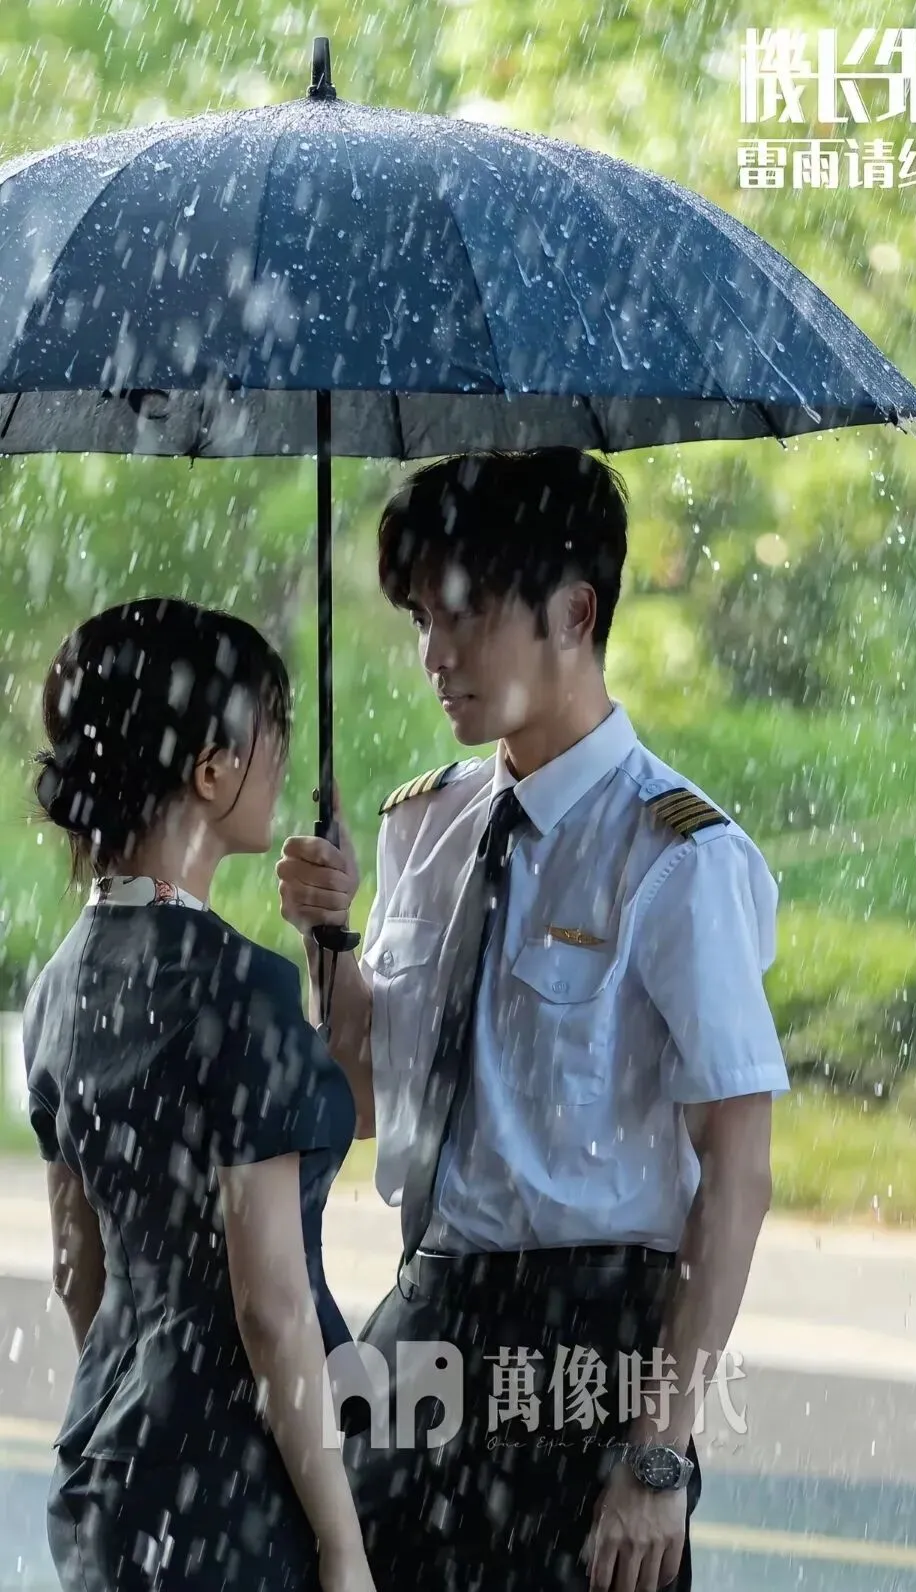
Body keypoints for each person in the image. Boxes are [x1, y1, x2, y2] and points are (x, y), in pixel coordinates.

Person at [277, 448, 790, 1592]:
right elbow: (364, 1099)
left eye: (465, 613)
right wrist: (329, 938)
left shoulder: (677, 855)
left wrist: (657, 1451)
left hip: (587, 1351)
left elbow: (739, 1171)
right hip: (428, 1317)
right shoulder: (425, 826)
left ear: (575, 611)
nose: (434, 654)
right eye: (421, 618)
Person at [24, 597, 374, 1592]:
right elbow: (271, 1307)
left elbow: (77, 1270)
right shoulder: (237, 988)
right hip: (234, 1488)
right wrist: (343, 1545)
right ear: (212, 772)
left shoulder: (61, 983)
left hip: (110, 1468)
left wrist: (328, 940)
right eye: (273, 732)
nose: (283, 761)